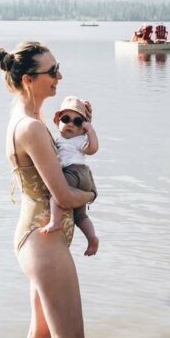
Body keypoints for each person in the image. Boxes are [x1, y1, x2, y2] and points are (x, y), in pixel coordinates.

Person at [0, 41, 96, 338]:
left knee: (41, 337)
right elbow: (63, 196)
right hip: (44, 241)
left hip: (39, 238)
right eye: (52, 72)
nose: (59, 76)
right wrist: (92, 194)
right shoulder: (31, 128)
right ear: (28, 80)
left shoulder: (26, 116)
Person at [41, 96, 100, 256]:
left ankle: (55, 221)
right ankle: (92, 238)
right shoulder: (57, 138)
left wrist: (90, 130)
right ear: (58, 121)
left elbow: (93, 149)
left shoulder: (80, 139)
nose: (71, 124)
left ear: (82, 128)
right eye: (66, 119)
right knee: (80, 216)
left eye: (78, 122)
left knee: (57, 192)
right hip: (84, 178)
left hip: (73, 172)